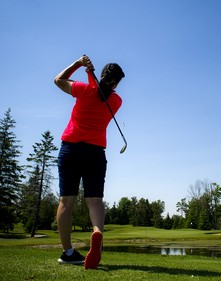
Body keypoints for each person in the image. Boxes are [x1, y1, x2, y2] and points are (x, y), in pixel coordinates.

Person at [54, 55, 125, 269]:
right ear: (117, 83)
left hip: (71, 150)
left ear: (100, 75)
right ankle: (97, 232)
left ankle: (68, 252)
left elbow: (58, 80)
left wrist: (79, 65)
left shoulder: (83, 90)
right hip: (95, 153)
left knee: (67, 201)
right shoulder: (116, 101)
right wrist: (90, 74)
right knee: (94, 201)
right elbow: (102, 93)